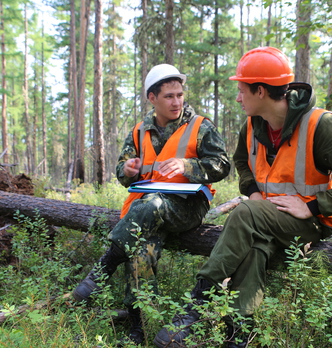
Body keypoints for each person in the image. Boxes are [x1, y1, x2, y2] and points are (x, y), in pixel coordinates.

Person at [154, 47, 332, 348]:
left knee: (245, 214)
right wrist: (255, 192)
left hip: (308, 224)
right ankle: (239, 333)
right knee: (254, 246)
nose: (237, 98)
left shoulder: (319, 125)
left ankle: (195, 304)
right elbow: (241, 162)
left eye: (241, 90)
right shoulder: (252, 125)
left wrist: (312, 206)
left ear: (260, 91)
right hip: (265, 218)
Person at [72, 63, 231, 344]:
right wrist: (128, 170)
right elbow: (121, 170)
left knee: (149, 207)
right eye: (169, 96)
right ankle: (139, 327)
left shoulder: (200, 126)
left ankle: (102, 270)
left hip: (188, 206)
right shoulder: (139, 131)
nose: (176, 101)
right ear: (152, 98)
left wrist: (187, 165)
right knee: (140, 252)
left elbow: (221, 165)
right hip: (147, 206)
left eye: (180, 94)